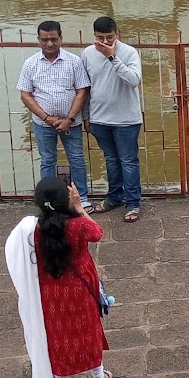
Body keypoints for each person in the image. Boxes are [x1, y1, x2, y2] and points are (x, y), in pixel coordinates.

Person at [5, 176, 112, 378]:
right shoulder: (77, 225)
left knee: (57, 340)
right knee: (89, 331)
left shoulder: (31, 230)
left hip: (50, 295)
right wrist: (79, 207)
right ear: (67, 199)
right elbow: (97, 233)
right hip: (81, 290)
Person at [17, 21, 92, 205]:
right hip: (43, 124)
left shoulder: (74, 61)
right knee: (47, 160)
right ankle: (48, 200)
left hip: (71, 123)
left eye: (53, 39)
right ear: (38, 40)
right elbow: (25, 95)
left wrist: (70, 118)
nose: (49, 44)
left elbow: (82, 91)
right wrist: (46, 117)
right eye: (45, 40)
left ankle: (81, 198)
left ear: (61, 38)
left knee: (76, 159)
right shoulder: (30, 64)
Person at [82, 16, 143, 223]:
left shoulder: (128, 52)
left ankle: (133, 203)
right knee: (111, 160)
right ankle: (114, 197)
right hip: (100, 118)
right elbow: (85, 88)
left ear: (117, 34)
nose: (106, 42)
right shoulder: (88, 54)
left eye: (110, 37)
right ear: (94, 36)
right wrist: (86, 116)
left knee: (128, 161)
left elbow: (133, 80)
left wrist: (112, 57)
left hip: (126, 119)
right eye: (101, 38)